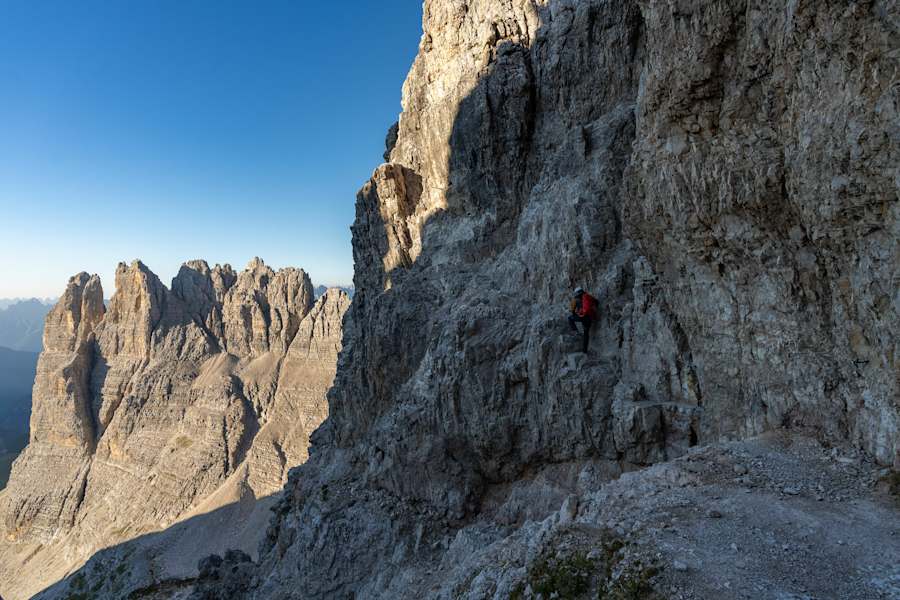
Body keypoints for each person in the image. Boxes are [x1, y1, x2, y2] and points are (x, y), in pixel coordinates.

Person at [568, 287, 598, 353]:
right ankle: (584, 351)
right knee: (586, 334)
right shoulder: (588, 296)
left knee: (570, 318)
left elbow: (572, 310)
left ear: (577, 293)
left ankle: (575, 331)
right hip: (590, 318)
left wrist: (577, 313)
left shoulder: (576, 300)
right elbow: (596, 302)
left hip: (583, 317)